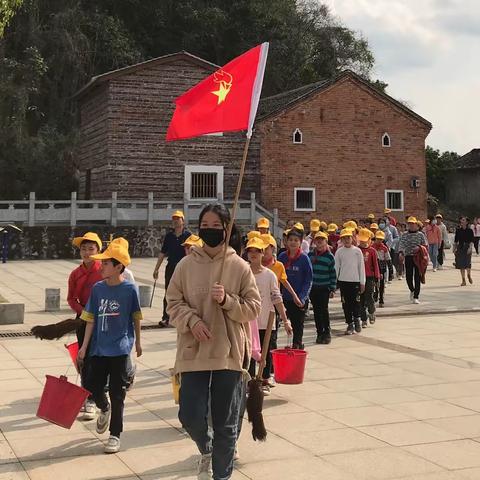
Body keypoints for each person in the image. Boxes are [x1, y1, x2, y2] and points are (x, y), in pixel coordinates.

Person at [166, 203, 261, 480]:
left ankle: (221, 474)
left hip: (228, 352)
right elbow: (173, 302)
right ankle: (206, 447)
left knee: (225, 421)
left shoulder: (239, 266)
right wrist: (192, 321)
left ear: (226, 229)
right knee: (190, 415)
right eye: (204, 226)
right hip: (193, 351)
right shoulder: (185, 265)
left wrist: (228, 300)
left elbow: (254, 307)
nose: (209, 231)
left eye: (215, 226)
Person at [78, 239, 143, 454]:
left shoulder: (129, 290)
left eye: (105, 263)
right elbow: (90, 319)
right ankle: (103, 408)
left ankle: (115, 435)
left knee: (118, 393)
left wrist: (139, 343)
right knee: (92, 385)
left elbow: (135, 317)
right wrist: (84, 347)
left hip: (121, 348)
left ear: (118, 267)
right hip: (99, 347)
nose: (101, 266)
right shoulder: (98, 289)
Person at [246, 236, 292, 394]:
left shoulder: (269, 275)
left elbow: (277, 298)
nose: (253, 254)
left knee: (266, 352)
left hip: (267, 320)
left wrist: (285, 321)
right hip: (248, 322)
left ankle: (264, 379)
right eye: (250, 251)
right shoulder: (243, 273)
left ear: (263, 252)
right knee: (249, 353)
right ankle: (251, 382)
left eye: (257, 251)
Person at [68, 232, 104, 420]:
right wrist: (83, 312)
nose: (87, 252)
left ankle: (102, 391)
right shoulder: (76, 274)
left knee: (104, 357)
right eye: (83, 249)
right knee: (85, 357)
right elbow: (71, 298)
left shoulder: (104, 270)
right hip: (83, 318)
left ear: (98, 250)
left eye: (91, 249)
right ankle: (89, 397)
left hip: (104, 317)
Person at [153, 211, 191, 327]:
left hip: (184, 268)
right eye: (174, 219)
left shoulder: (188, 236)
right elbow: (162, 253)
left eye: (178, 219)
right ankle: (166, 317)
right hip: (171, 267)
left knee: (185, 293)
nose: (175, 221)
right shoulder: (169, 236)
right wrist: (156, 269)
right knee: (168, 292)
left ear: (183, 221)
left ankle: (184, 316)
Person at [278, 227, 313, 349]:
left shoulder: (304, 259)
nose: (293, 242)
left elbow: (308, 280)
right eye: (290, 240)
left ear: (301, 242)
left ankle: (297, 346)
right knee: (279, 324)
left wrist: (302, 297)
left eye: (296, 240)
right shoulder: (282, 257)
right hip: (284, 298)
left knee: (298, 325)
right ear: (286, 242)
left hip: (298, 299)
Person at [335, 228, 365, 335]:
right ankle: (349, 323)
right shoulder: (339, 252)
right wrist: (335, 282)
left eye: (348, 237)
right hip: (344, 282)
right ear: (341, 240)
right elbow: (336, 267)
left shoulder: (357, 251)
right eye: (344, 238)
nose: (347, 240)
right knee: (346, 304)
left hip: (355, 282)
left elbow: (361, 267)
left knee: (356, 302)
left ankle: (357, 319)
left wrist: (362, 282)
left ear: (352, 238)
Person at [308, 231, 336, 344]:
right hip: (313, 287)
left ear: (326, 242)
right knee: (316, 311)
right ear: (314, 242)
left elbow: (333, 273)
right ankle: (319, 332)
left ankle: (327, 332)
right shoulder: (310, 255)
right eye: (317, 240)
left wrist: (333, 288)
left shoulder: (329, 257)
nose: (319, 242)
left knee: (323, 310)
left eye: (322, 240)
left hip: (324, 288)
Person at [398, 217, 427, 304]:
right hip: (408, 257)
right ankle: (412, 290)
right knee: (408, 276)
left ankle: (416, 296)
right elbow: (401, 244)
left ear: (416, 224)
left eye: (412, 223)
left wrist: (419, 247)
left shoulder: (421, 235)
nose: (411, 225)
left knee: (417, 276)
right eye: (409, 223)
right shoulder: (405, 235)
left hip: (418, 258)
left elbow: (425, 245)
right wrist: (401, 253)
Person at [357, 229, 380, 328]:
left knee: (369, 296)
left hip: (369, 277)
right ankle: (363, 319)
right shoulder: (357, 250)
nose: (363, 243)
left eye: (365, 241)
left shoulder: (372, 251)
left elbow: (375, 265)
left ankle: (371, 312)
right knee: (361, 299)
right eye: (361, 241)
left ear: (369, 240)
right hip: (358, 278)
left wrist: (377, 277)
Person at [372, 230, 391, 307]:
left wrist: (391, 269)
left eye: (381, 239)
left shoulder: (384, 248)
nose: (379, 241)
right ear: (375, 238)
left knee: (382, 284)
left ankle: (381, 299)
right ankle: (375, 293)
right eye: (378, 239)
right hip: (373, 266)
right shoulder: (372, 247)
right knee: (375, 282)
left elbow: (388, 258)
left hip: (382, 266)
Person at [454, 216, 474, 286]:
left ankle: (468, 275)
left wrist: (470, 248)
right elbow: (456, 241)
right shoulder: (458, 230)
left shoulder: (470, 231)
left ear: (467, 222)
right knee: (461, 264)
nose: (461, 221)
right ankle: (463, 280)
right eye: (461, 220)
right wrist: (454, 249)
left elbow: (471, 241)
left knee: (467, 263)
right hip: (460, 247)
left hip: (467, 247)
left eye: (463, 220)